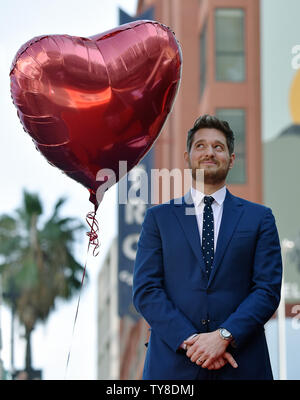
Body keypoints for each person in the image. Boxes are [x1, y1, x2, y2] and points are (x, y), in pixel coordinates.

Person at [133, 114, 282, 380]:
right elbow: (146, 290)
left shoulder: (259, 218)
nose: (209, 152)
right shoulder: (159, 219)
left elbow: (267, 290)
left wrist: (225, 336)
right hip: (173, 367)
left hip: (242, 365)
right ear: (187, 157)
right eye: (200, 146)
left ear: (231, 159)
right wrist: (191, 341)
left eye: (218, 146)